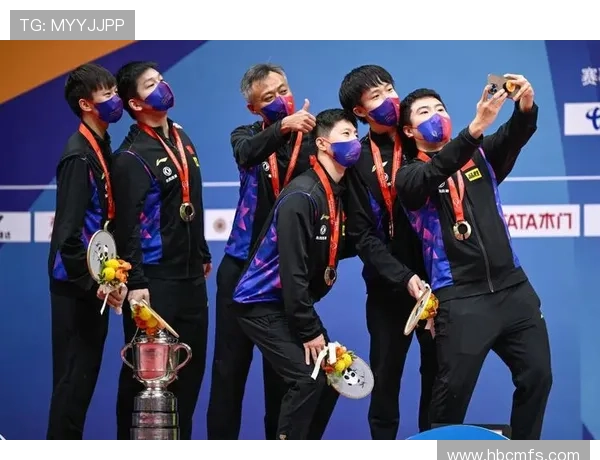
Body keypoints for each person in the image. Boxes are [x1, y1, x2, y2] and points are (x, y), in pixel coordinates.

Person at [396, 77, 552, 440]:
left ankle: (525, 458)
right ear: (408, 130)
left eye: (440, 108)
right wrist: (476, 127)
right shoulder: (409, 176)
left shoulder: (481, 156)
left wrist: (525, 105)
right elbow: (435, 171)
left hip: (514, 291)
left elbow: (515, 133)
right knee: (450, 400)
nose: (436, 115)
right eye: (424, 112)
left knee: (538, 376)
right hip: (461, 299)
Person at [231, 108, 360, 440]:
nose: (354, 141)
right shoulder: (302, 195)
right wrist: (308, 330)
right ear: (323, 144)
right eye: (346, 134)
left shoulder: (334, 192)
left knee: (331, 375)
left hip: (286, 304)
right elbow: (293, 271)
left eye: (356, 135)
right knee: (308, 378)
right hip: (259, 304)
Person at [207, 64, 316, 440]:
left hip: (283, 275)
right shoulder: (246, 136)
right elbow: (246, 154)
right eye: (269, 97)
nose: (281, 99)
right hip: (240, 271)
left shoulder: (313, 139)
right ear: (254, 108)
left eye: (283, 90)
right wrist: (284, 125)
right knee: (228, 371)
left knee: (284, 377)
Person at [111, 61, 212, 440]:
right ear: (135, 104)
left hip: (191, 279)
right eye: (150, 84)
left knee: (189, 372)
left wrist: (201, 251)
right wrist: (136, 282)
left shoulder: (181, 137)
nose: (162, 87)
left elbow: (190, 200)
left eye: (161, 80)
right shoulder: (131, 156)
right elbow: (127, 226)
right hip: (154, 283)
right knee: (146, 375)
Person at [338, 64, 437, 439]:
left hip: (438, 284)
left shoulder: (419, 139)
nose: (389, 99)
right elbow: (362, 236)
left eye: (390, 89)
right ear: (359, 111)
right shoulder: (356, 159)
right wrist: (402, 277)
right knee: (385, 378)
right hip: (388, 288)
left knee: (439, 377)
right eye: (376, 95)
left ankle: (433, 450)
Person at [47, 63, 127, 439]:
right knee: (71, 386)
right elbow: (68, 234)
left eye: (115, 91)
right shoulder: (78, 155)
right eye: (107, 94)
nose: (116, 100)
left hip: (94, 282)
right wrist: (91, 282)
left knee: (81, 385)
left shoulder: (101, 145)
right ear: (85, 104)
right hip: (76, 286)